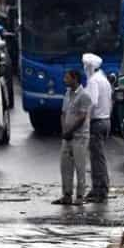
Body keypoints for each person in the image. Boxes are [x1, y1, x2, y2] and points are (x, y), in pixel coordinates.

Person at [53, 69, 91, 206]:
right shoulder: (67, 94)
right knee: (65, 167)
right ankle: (67, 195)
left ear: (75, 79)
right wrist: (65, 131)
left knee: (80, 167)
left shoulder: (84, 96)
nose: (65, 80)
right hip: (67, 137)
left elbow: (82, 117)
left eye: (67, 78)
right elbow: (63, 113)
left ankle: (80, 196)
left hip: (79, 137)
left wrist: (70, 131)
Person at [82, 52, 113, 202]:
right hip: (106, 120)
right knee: (98, 157)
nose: (84, 69)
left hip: (97, 122)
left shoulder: (94, 81)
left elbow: (92, 102)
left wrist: (85, 120)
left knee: (97, 158)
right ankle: (100, 188)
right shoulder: (104, 79)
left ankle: (100, 190)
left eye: (85, 66)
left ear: (89, 67)